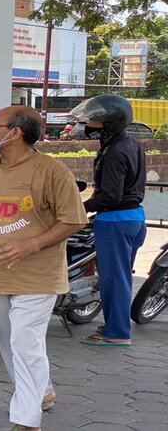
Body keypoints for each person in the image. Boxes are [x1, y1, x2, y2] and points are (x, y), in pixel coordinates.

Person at [0, 106, 88, 431]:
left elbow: (73, 219)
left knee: (25, 341)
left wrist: (32, 244)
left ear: (15, 133)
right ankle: (43, 391)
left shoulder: (52, 172)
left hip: (35, 276)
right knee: (10, 342)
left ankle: (26, 419)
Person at [69, 94, 146, 346]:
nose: (89, 124)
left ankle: (116, 332)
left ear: (110, 123)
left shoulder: (114, 152)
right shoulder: (131, 144)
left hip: (115, 221)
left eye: (95, 120)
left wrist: (80, 208)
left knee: (114, 280)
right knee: (120, 277)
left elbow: (110, 196)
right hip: (133, 219)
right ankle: (115, 325)